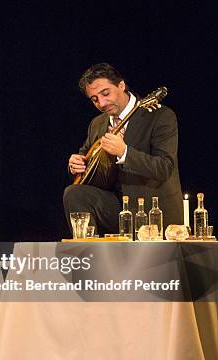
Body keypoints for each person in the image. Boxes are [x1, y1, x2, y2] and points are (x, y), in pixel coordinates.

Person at [63, 63, 183, 235]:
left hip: (152, 212)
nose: (102, 103)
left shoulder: (160, 116)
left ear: (121, 85)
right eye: (95, 99)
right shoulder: (97, 123)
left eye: (105, 93)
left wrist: (124, 152)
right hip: (117, 209)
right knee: (74, 193)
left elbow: (164, 168)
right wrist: (76, 163)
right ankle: (89, 255)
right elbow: (85, 154)